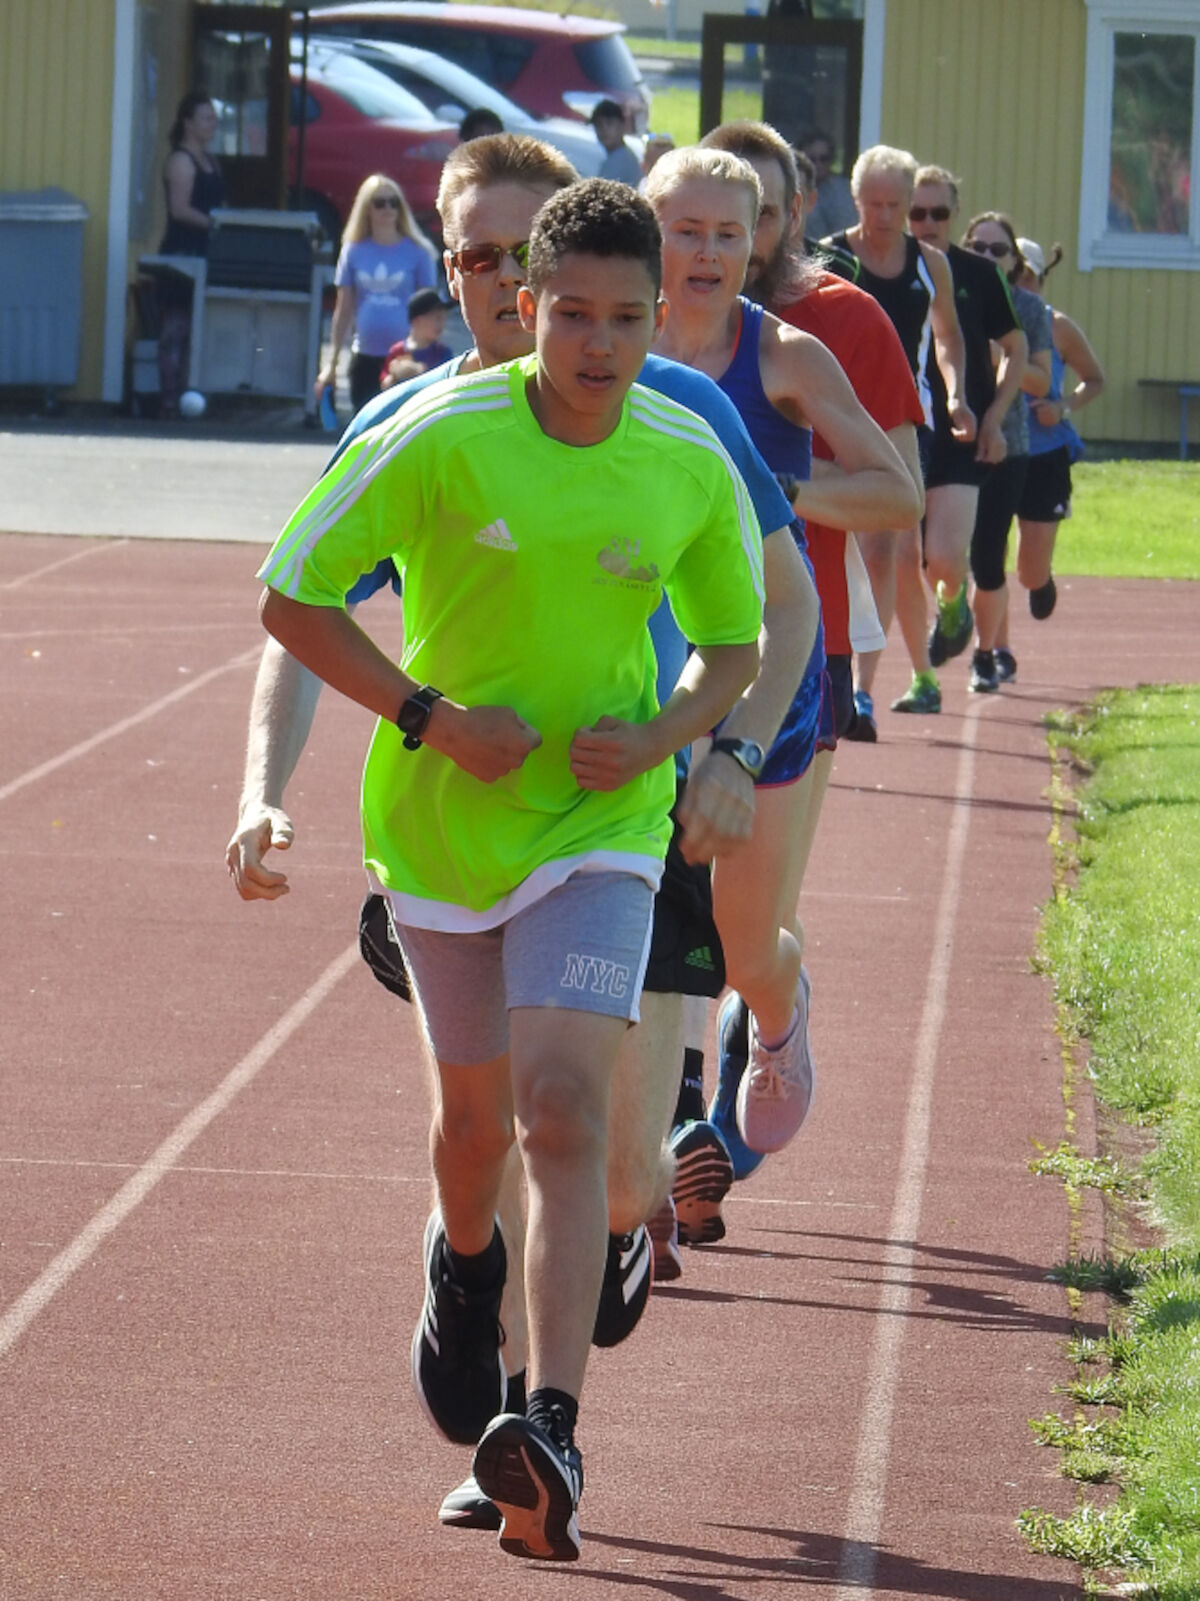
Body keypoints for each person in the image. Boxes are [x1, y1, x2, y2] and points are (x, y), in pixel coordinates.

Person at [229, 136, 816, 1519]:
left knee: (572, 1114)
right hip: (442, 828)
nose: (601, 344)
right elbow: (292, 600)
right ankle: (468, 1260)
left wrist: (690, 744)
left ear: (659, 311)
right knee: (471, 1132)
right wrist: (423, 718)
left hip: (608, 819)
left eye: (631, 316)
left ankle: (541, 1426)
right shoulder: (434, 433)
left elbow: (742, 631)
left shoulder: (685, 440)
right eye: (569, 311)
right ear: (515, 301)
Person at [643, 144, 921, 1188]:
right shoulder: (608, 345)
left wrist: (773, 495)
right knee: (634, 915)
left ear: (761, 237)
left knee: (745, 940)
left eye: (730, 231)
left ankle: (777, 1014)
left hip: (770, 666)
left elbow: (896, 490)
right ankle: (648, 1170)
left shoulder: (786, 358)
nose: (709, 252)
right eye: (686, 229)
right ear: (649, 228)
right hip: (643, 669)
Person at [819, 145, 973, 736]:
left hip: (903, 421)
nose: (884, 215)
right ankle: (826, 668)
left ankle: (862, 690)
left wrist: (955, 394)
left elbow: (948, 339)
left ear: (911, 203)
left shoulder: (929, 263)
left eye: (896, 204)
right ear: (857, 200)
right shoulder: (829, 257)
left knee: (889, 550)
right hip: (835, 416)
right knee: (845, 547)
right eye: (873, 203)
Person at [893, 165, 1026, 713]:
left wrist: (994, 417)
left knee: (945, 560)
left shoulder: (976, 272)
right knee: (906, 558)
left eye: (938, 213)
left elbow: (1015, 347)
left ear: (954, 216)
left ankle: (953, 605)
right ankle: (921, 679)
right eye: (916, 213)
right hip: (899, 427)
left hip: (958, 430)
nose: (926, 223)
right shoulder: (883, 265)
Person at [989, 235, 1105, 675]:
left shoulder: (1058, 327)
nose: (1022, 284)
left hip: (1045, 454)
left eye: (1029, 277)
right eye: (1016, 276)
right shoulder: (982, 322)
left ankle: (1041, 582)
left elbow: (1094, 379)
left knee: (1028, 571)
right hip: (998, 448)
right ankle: (997, 650)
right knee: (989, 556)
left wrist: (1064, 406)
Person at [962, 215, 1053, 693]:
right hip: (954, 440)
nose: (986, 256)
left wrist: (1004, 355)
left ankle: (985, 652)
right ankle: (961, 622)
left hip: (1008, 445)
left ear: (1015, 260)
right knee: (943, 553)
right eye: (977, 246)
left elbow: (1041, 377)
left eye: (998, 249)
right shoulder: (953, 298)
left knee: (988, 556)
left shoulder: (1028, 309)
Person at [314, 174, 438, 415]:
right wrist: (332, 364)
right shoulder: (354, 250)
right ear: (366, 209)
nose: (388, 208)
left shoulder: (419, 252)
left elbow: (430, 311)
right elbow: (344, 309)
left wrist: (426, 356)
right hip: (365, 355)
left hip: (406, 357)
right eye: (380, 203)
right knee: (365, 429)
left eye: (394, 202)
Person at [155, 91, 225, 419]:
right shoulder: (180, 160)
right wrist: (215, 223)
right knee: (175, 329)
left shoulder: (211, 161)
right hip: (181, 252)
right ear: (188, 122)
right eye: (206, 118)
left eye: (214, 118)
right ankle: (169, 400)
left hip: (207, 253)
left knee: (200, 327)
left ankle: (192, 394)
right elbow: (179, 209)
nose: (213, 124)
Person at [800, 128, 856, 241]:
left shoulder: (845, 192)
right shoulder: (795, 190)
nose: (818, 164)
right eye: (812, 159)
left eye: (823, 159)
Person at [589, 98, 642, 187]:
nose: (604, 129)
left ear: (622, 125)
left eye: (609, 123)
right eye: (599, 124)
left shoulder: (621, 160)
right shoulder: (618, 156)